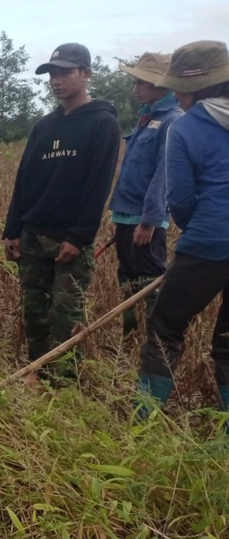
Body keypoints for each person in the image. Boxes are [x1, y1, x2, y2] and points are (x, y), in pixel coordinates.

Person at [1, 43, 121, 382]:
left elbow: (98, 187)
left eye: (65, 72)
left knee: (66, 315)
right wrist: (11, 231)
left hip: (69, 239)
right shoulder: (43, 127)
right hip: (31, 234)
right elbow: (23, 181)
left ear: (86, 74)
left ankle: (64, 383)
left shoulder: (102, 124)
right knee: (35, 312)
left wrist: (79, 236)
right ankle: (36, 374)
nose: (56, 80)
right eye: (52, 73)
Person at [137, 40, 229, 420]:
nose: (175, 92)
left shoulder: (186, 126)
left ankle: (142, 424)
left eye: (179, 85)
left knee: (164, 327)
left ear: (200, 87)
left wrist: (198, 238)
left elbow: (181, 199)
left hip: (208, 241)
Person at [108, 53, 182, 337]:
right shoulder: (145, 118)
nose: (135, 88)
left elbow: (164, 176)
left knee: (151, 280)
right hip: (127, 214)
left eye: (143, 83)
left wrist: (149, 220)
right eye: (135, 82)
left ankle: (156, 339)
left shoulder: (171, 121)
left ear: (162, 85)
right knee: (126, 276)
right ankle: (130, 332)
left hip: (145, 220)